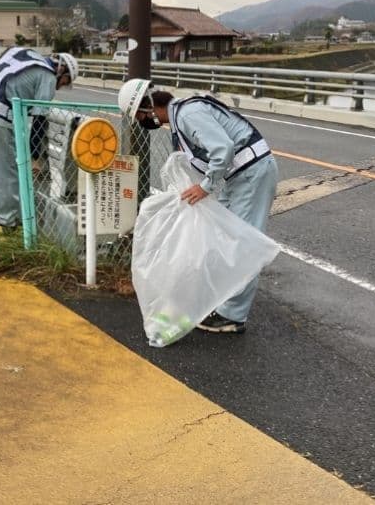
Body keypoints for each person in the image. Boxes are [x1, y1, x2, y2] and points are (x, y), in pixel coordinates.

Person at [118, 78, 278, 333]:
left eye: (139, 116)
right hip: (237, 179)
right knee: (217, 241)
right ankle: (220, 303)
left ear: (147, 107)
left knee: (241, 246)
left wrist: (205, 187)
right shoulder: (180, 117)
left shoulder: (188, 114)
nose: (142, 122)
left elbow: (222, 149)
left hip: (252, 175)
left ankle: (232, 316)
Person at [0, 47, 79, 242]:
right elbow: (40, 120)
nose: (61, 87)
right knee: (4, 175)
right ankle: (7, 229)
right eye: (66, 82)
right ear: (62, 70)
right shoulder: (47, 76)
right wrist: (35, 157)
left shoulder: (24, 56)